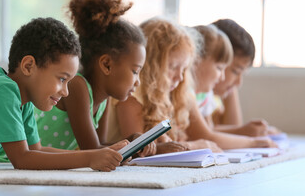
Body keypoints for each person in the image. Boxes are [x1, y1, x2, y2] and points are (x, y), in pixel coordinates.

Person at [0, 17, 125, 171]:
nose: (65, 92)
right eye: (62, 79)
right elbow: (22, 159)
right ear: (28, 66)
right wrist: (89, 159)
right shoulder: (1, 90)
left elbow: (35, 150)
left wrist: (98, 154)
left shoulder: (23, 102)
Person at [108, 17, 276, 155]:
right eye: (173, 67)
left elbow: (169, 143)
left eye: (183, 69)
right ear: (152, 66)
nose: (180, 78)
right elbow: (139, 151)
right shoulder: (133, 96)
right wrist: (195, 146)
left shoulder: (175, 94)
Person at [35, 0, 155, 156]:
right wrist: (136, 147)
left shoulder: (103, 98)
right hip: (10, 158)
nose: (138, 81)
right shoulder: (77, 86)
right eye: (135, 71)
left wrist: (133, 141)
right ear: (106, 64)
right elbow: (91, 150)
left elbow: (100, 145)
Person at [201, 19, 280, 137]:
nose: (239, 82)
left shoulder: (214, 97)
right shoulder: (197, 94)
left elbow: (232, 126)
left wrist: (230, 86)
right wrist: (245, 132)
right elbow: (204, 133)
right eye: (235, 71)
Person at [192, 24, 233, 116]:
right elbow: (204, 131)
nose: (222, 77)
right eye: (219, 68)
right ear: (196, 61)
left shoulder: (205, 95)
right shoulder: (186, 94)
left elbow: (209, 128)